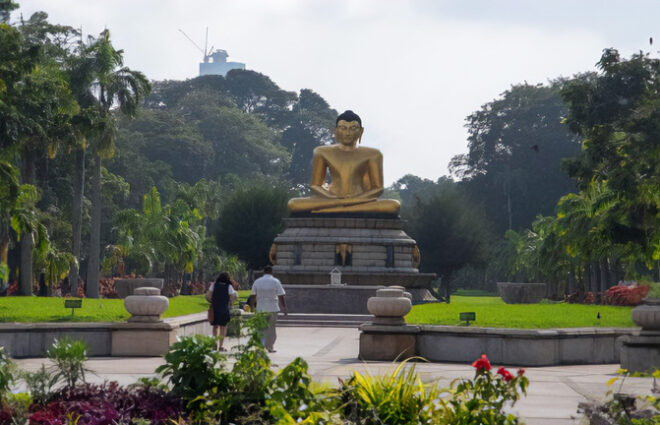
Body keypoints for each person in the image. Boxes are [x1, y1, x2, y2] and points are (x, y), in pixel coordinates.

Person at [287, 110, 400, 214]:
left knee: (393, 205)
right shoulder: (322, 152)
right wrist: (332, 198)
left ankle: (331, 210)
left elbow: (378, 189)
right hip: (331, 198)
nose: (347, 133)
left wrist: (355, 199)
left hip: (360, 199)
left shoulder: (373, 154)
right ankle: (344, 207)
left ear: (361, 131)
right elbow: (315, 185)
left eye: (353, 128)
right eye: (343, 128)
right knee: (293, 204)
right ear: (335, 130)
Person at [251, 265, 286, 352]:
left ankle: (261, 346)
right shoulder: (275, 281)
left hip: (261, 308)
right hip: (273, 308)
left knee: (261, 328)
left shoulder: (257, 281)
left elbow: (253, 295)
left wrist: (252, 307)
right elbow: (281, 295)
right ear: (271, 272)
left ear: (264, 272)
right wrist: (284, 308)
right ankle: (270, 346)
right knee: (271, 328)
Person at [208, 272, 238, 351]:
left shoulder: (214, 285)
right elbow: (232, 297)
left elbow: (209, 295)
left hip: (215, 308)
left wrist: (213, 301)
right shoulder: (229, 286)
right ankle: (221, 346)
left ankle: (214, 344)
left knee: (215, 326)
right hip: (224, 309)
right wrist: (231, 303)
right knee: (223, 327)